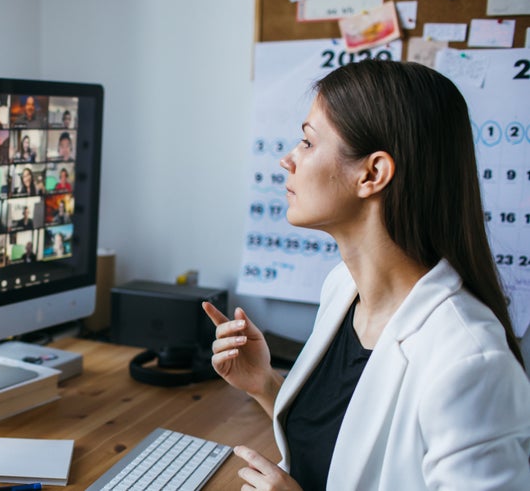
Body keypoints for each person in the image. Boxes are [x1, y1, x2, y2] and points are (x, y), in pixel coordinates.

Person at [203, 60, 530, 490]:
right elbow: (343, 448)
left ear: (372, 174)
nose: (287, 160)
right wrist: (264, 384)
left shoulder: (470, 361)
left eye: (306, 142)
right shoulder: (342, 288)